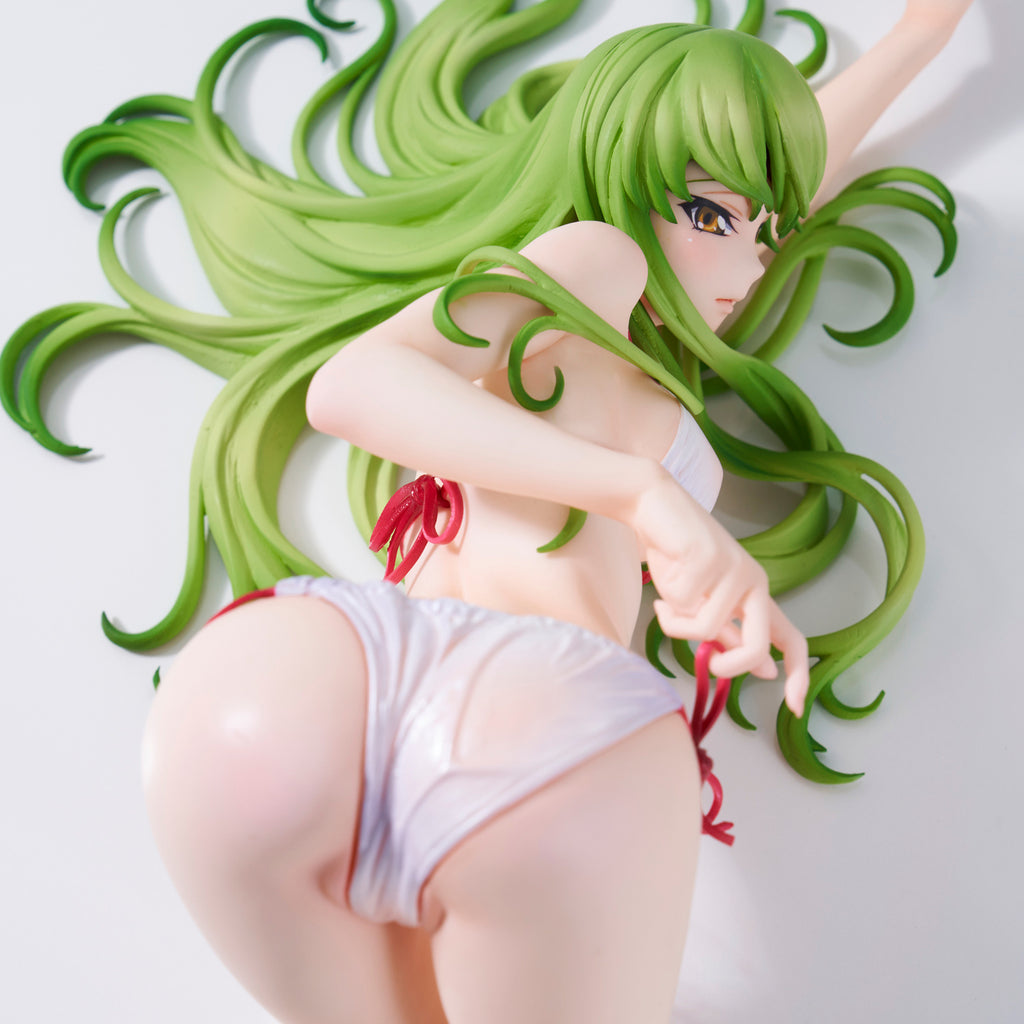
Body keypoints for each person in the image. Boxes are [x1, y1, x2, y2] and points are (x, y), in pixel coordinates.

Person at [1, 1, 975, 1021]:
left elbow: (789, 169)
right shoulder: (601, 257)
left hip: (301, 683)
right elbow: (350, 387)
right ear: (620, 174)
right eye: (711, 216)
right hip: (539, 718)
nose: (747, 264)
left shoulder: (613, 338)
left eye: (767, 236)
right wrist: (645, 493)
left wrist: (921, 37)